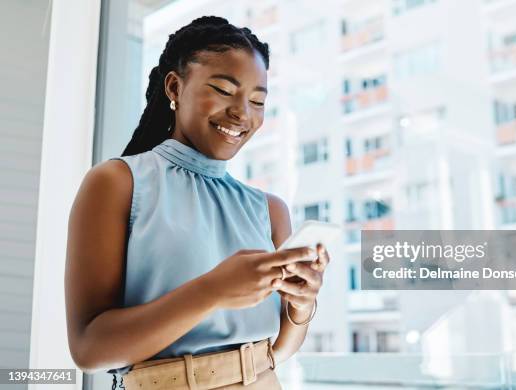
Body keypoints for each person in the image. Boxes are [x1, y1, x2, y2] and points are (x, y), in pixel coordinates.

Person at [64, 16, 330, 389]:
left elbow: (280, 350)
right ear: (175, 87)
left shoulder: (269, 209)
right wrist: (212, 290)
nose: (243, 113)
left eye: (257, 100)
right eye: (224, 89)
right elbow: (89, 350)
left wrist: (302, 304)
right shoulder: (117, 183)